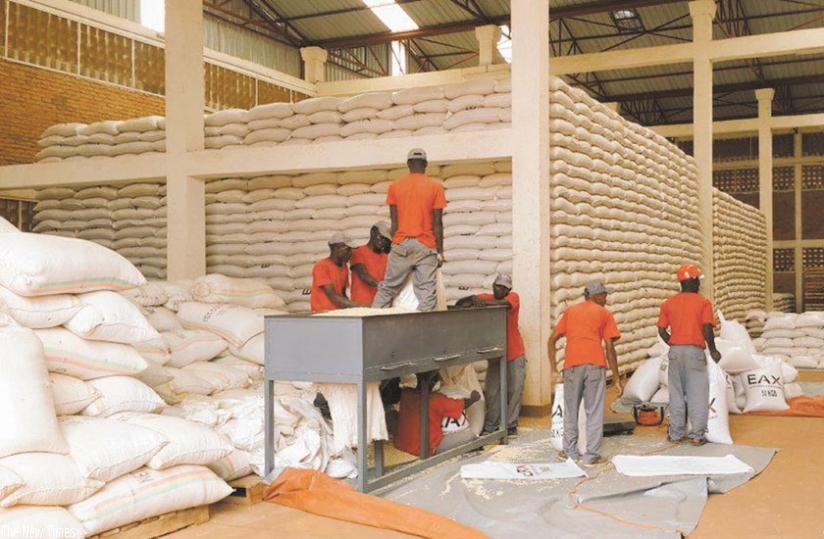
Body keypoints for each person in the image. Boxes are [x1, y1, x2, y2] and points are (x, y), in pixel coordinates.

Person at [547, 281, 622, 466]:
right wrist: (617, 377)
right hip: (595, 365)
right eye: (604, 295)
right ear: (595, 296)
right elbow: (610, 348)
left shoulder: (570, 312)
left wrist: (553, 369)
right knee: (594, 411)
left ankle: (570, 453)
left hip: (572, 365)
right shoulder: (604, 314)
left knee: (570, 410)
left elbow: (552, 340)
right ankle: (591, 456)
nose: (606, 298)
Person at [371, 148, 446, 312]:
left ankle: (371, 319)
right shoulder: (436, 187)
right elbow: (437, 223)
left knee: (388, 288)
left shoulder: (395, 187)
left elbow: (394, 222)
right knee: (427, 292)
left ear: (408, 164)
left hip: (401, 243)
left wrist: (394, 246)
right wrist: (440, 251)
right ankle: (424, 330)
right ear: (425, 164)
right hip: (425, 246)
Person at [657, 264, 722, 446]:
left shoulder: (668, 303)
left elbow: (661, 330)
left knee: (676, 394)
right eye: (697, 281)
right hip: (694, 352)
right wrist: (714, 349)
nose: (699, 285)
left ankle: (676, 434)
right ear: (692, 281)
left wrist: (675, 342)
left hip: (676, 352)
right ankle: (697, 435)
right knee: (697, 394)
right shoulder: (703, 303)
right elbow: (707, 328)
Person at [456, 273, 526, 437]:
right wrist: (471, 299)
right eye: (496, 286)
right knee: (493, 392)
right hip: (496, 354)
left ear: (508, 290)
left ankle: (510, 425)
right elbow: (461, 303)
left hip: (514, 352)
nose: (498, 289)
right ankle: (491, 425)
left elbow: (503, 305)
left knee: (515, 389)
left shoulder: (513, 297)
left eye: (503, 288)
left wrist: (481, 302)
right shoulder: (486, 297)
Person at [394, 371, 480, 457]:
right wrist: (474, 397)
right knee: (471, 435)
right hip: (426, 449)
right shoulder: (436, 399)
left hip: (402, 444)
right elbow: (463, 404)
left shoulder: (406, 393)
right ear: (434, 382)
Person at [309, 233, 358, 313]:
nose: (351, 253)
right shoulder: (322, 266)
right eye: (348, 249)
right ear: (336, 248)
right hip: (323, 314)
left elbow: (342, 294)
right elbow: (333, 297)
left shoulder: (344, 266)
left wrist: (351, 309)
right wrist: (359, 306)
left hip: (336, 314)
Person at [350, 221, 392, 306]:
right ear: (372, 232)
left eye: (386, 239)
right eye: (381, 237)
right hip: (362, 305)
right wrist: (382, 286)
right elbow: (363, 275)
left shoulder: (386, 257)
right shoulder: (358, 252)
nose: (383, 241)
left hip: (380, 303)